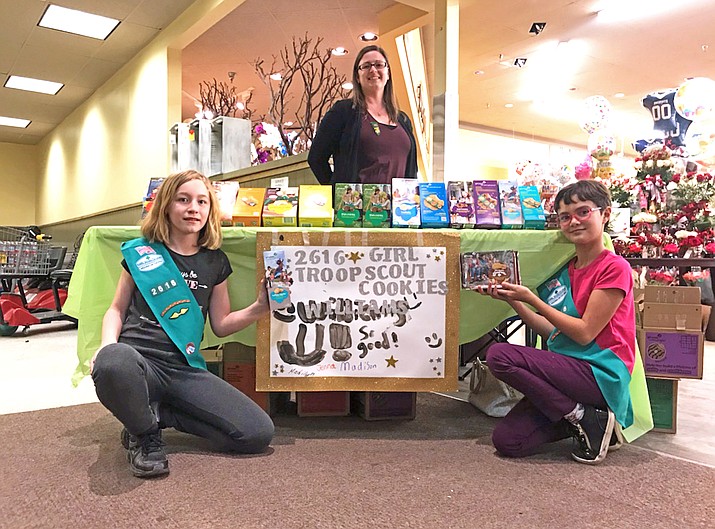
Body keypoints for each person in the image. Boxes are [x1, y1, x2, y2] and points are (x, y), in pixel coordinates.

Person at [90, 170, 274, 478]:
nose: (194, 208)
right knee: (113, 361)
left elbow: (222, 324)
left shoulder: (215, 261)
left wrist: (259, 307)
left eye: (202, 201)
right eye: (183, 200)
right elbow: (116, 310)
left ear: (210, 210)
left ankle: (157, 414)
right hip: (138, 362)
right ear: (165, 206)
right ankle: (146, 436)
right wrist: (107, 345)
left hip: (183, 369)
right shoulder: (141, 252)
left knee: (257, 433)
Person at [474, 180, 635, 465]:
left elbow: (585, 334)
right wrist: (514, 301)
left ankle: (582, 416)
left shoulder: (614, 267)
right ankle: (593, 422)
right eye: (565, 216)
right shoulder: (564, 270)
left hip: (600, 373)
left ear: (605, 214)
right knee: (508, 441)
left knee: (499, 354)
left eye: (583, 212)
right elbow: (554, 333)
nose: (574, 221)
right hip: (568, 370)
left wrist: (534, 300)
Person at [308, 45, 418, 185]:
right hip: (356, 206)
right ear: (357, 77)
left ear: (388, 73)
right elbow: (316, 158)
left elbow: (411, 170)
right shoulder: (343, 112)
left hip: (400, 206)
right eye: (366, 66)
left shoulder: (403, 120)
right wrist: (337, 193)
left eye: (379, 64)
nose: (373, 69)